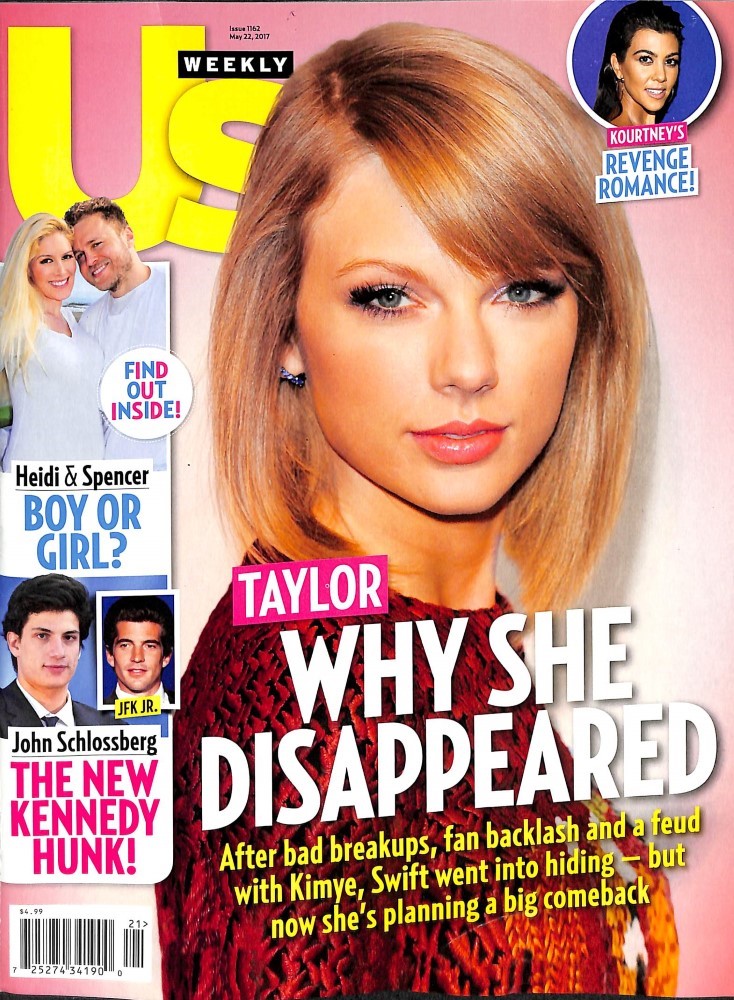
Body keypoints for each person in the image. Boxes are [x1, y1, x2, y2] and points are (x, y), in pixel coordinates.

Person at [157, 24, 678, 998]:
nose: (469, 367)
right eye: (390, 296)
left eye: (523, 288)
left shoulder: (462, 637)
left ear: (587, 321)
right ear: (284, 329)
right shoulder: (292, 694)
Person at [63, 197, 168, 469]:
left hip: (169, 477)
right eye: (80, 256)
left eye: (96, 244)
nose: (90, 261)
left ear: (128, 235)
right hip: (113, 480)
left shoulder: (174, 292)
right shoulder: (89, 322)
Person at [0, 214, 105, 470]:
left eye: (67, 257)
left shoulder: (74, 321)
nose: (61, 270)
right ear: (27, 268)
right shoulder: (15, 323)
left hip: (90, 480)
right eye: (46, 260)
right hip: (34, 482)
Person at [0, 573, 117, 733]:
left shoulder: (113, 730)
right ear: (15, 643)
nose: (58, 652)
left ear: (79, 648)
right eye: (42, 636)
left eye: (69, 637)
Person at [593, 1, 683, 126]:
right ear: (617, 66)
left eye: (670, 61)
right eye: (645, 59)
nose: (661, 76)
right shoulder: (606, 134)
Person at [102, 594, 175, 705]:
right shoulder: (91, 713)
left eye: (149, 646)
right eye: (125, 645)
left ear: (166, 656)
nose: (137, 657)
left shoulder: (186, 707)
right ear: (109, 655)